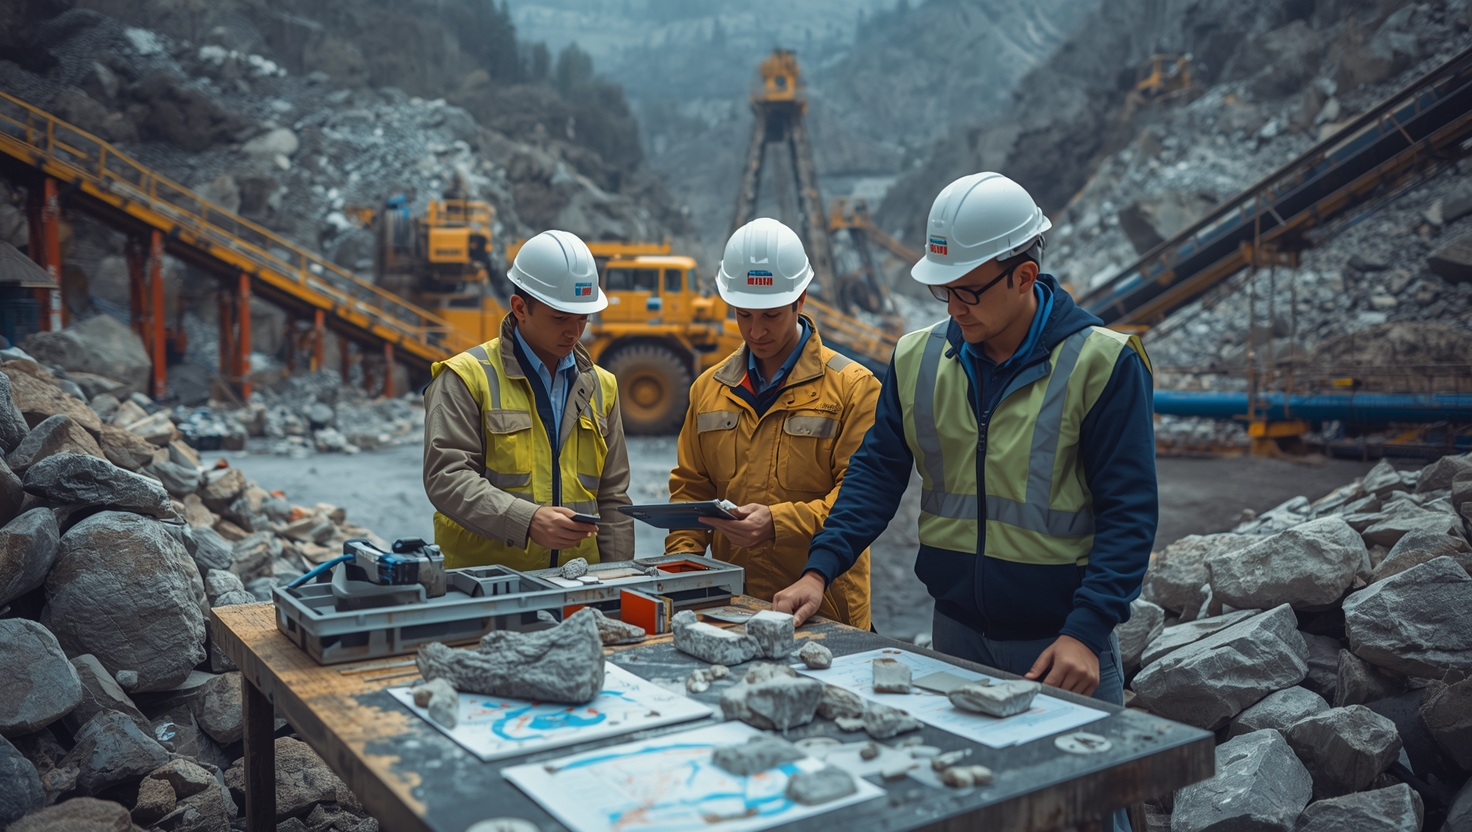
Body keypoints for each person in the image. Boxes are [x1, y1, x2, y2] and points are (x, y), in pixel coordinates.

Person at [775, 171, 1157, 712]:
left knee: (1077, 795)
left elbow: (1130, 511)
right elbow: (876, 475)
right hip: (952, 638)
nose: (954, 306)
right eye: (943, 290)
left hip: (1060, 649)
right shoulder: (917, 359)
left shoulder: (1102, 364)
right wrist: (820, 570)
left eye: (969, 291)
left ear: (1024, 276)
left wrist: (1088, 630)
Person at [665, 217, 881, 628]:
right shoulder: (707, 389)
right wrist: (682, 571)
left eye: (771, 315)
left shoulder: (854, 388)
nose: (756, 331)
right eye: (743, 315)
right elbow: (691, 491)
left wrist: (778, 523)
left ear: (800, 299)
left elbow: (859, 500)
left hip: (824, 610)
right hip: (734, 607)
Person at [423, 229, 633, 570]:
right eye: (560, 317)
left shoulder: (602, 386)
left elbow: (613, 499)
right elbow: (446, 477)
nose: (574, 331)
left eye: (583, 317)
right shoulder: (465, 377)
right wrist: (527, 520)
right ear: (520, 307)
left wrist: (618, 580)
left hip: (576, 586)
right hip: (485, 589)